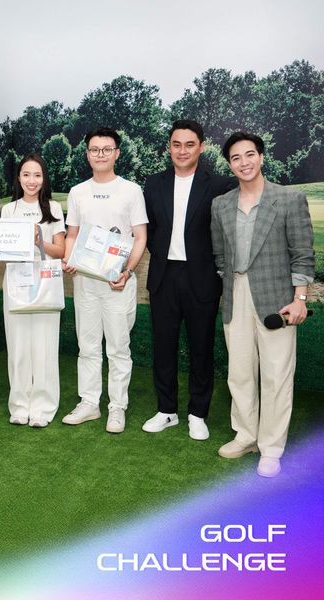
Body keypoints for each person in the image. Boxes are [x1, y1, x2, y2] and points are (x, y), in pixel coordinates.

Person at [211, 131, 315, 477]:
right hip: (235, 294)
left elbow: (303, 254)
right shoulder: (221, 204)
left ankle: (271, 448)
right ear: (230, 164)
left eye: (250, 154)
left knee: (276, 375)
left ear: (261, 157)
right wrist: (231, 283)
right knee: (239, 372)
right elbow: (220, 254)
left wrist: (300, 299)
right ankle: (246, 435)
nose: (244, 162)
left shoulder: (288, 199)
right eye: (236, 158)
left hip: (277, 298)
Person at [142, 120, 236, 440]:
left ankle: (198, 413)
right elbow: (150, 229)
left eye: (189, 144)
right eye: (176, 144)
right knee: (163, 347)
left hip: (202, 278)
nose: (182, 151)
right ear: (169, 147)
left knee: (201, 349)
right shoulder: (153, 183)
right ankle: (166, 410)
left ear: (201, 147)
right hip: (163, 277)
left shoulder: (218, 185)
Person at [62, 126, 148, 433]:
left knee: (118, 347)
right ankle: (89, 403)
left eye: (106, 149)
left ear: (117, 153)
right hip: (86, 281)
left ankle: (117, 407)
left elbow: (140, 237)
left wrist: (128, 271)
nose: (100, 154)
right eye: (95, 149)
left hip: (117, 282)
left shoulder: (131, 190)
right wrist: (68, 258)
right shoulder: (77, 192)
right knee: (87, 346)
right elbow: (72, 234)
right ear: (87, 154)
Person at [1, 154, 65, 427]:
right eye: (26, 174)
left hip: (45, 283)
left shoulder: (54, 208)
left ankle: (43, 407)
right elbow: (2, 248)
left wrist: (39, 241)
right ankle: (19, 405)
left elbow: (60, 251)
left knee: (45, 345)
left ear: (44, 178)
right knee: (18, 346)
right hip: (16, 282)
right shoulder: (8, 210)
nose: (31, 180)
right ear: (18, 177)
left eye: (37, 175)